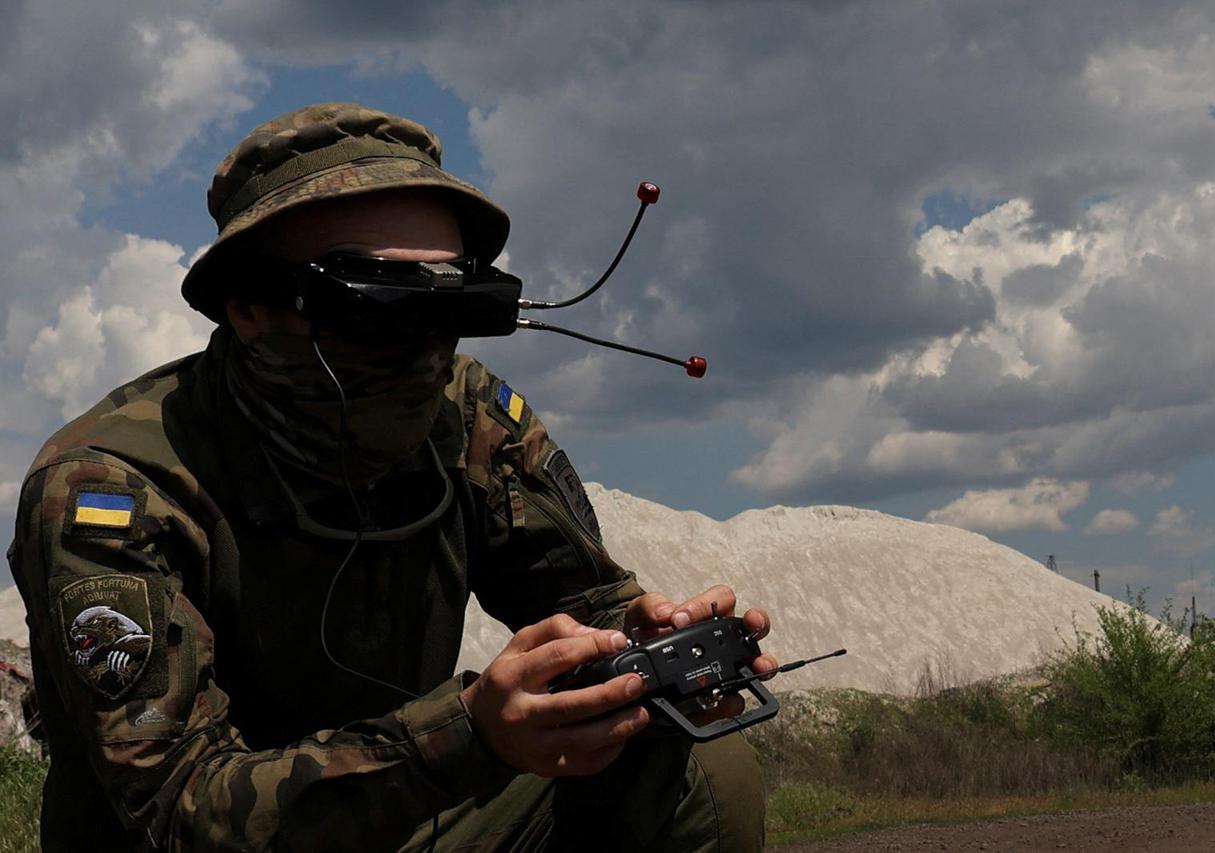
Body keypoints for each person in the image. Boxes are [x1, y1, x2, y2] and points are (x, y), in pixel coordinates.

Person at [7, 102, 774, 852]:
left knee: (681, 745)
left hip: (409, 810)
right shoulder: (112, 486)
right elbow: (176, 813)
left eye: (451, 305)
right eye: (377, 306)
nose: (424, 352)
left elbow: (584, 603)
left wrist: (646, 644)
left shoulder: (468, 416)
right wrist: (465, 735)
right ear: (249, 308)